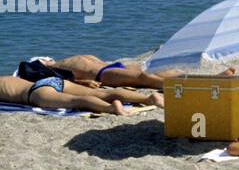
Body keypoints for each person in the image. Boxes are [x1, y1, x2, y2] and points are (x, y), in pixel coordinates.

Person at [19, 55, 216, 91]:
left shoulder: (62, 62)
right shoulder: (55, 68)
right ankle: (198, 83)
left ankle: (210, 80)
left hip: (110, 68)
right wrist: (84, 84)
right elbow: (63, 81)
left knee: (156, 72)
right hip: (104, 73)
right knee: (147, 78)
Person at [0, 74, 162, 114]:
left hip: (35, 93)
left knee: (76, 101)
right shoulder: (5, 78)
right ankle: (148, 98)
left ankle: (112, 108)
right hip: (51, 80)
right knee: (101, 92)